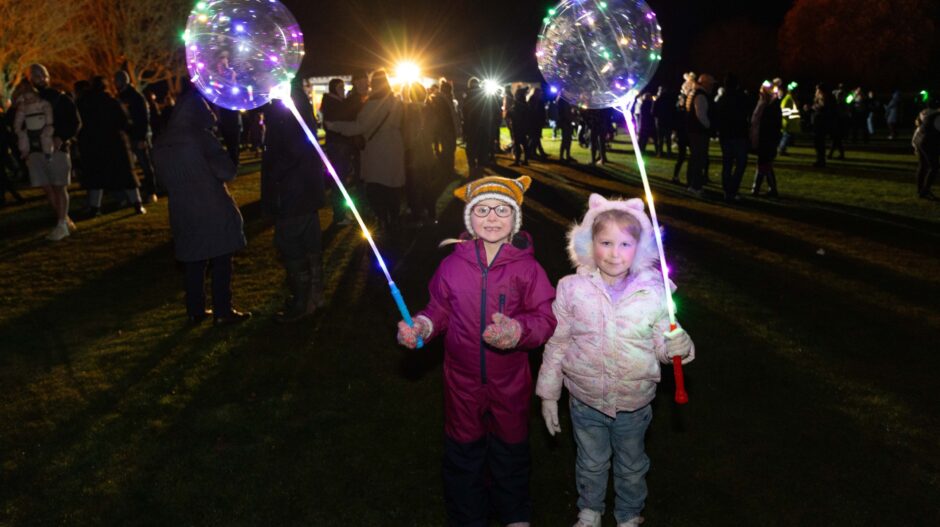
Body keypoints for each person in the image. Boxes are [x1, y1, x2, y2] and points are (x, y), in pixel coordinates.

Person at [396, 175, 556, 527]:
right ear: (470, 219)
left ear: (515, 219)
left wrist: (518, 331)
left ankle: (514, 513)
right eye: (482, 210)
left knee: (510, 450)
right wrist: (422, 326)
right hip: (462, 380)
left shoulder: (527, 268)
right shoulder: (452, 265)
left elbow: (545, 317)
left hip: (510, 380)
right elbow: (438, 308)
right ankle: (468, 516)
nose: (492, 217)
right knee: (463, 451)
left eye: (502, 209)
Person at [536, 193, 695, 527]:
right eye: (605, 242)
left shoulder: (654, 292)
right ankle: (590, 510)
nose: (613, 253)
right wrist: (549, 394)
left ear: (641, 249)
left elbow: (664, 346)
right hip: (585, 400)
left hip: (634, 402)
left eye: (625, 244)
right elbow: (557, 343)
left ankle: (628, 514)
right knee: (591, 461)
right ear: (589, 244)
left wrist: (679, 345)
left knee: (631, 463)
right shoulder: (571, 289)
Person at [153, 84, 250, 325]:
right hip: (210, 206)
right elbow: (226, 171)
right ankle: (222, 310)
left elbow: (162, 181)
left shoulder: (163, 141)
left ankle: (195, 309)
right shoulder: (200, 138)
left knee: (194, 261)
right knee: (220, 259)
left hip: (182, 208)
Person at [262, 78, 326, 322]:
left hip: (293, 189)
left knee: (290, 243)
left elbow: (293, 145)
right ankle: (314, 297)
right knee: (310, 243)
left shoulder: (286, 98)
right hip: (303, 187)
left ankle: (302, 302)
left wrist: (275, 175)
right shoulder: (294, 95)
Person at [325, 69, 405, 239]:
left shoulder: (373, 104)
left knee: (377, 190)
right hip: (395, 149)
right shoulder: (396, 101)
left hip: (378, 151)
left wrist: (335, 126)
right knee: (393, 189)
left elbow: (359, 127)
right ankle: (395, 221)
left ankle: (384, 222)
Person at [77, 76, 145, 217]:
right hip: (115, 143)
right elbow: (124, 121)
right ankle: (137, 204)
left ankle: (95, 207)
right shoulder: (112, 102)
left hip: (94, 144)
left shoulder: (84, 103)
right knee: (126, 176)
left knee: (97, 177)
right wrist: (135, 134)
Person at [27, 64, 81, 240]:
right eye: (35, 75)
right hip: (36, 151)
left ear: (48, 77)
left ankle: (61, 224)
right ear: (30, 79)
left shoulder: (61, 99)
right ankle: (64, 220)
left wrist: (61, 137)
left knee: (59, 186)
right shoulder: (27, 101)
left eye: (42, 74)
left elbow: (75, 122)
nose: (39, 78)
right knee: (48, 188)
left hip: (56, 149)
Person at [114, 71, 158, 203]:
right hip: (129, 136)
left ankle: (151, 191)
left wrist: (142, 137)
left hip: (137, 136)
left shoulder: (135, 97)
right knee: (134, 166)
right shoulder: (121, 97)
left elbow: (143, 118)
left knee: (145, 164)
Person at [320, 78, 356, 226]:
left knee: (341, 180)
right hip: (337, 145)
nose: (342, 89)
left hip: (341, 144)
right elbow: (333, 124)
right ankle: (339, 215)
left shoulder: (337, 102)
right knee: (339, 181)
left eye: (343, 86)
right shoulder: (333, 103)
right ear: (333, 88)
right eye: (339, 87)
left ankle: (342, 212)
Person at [714, 74, 750, 202]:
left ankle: (727, 190)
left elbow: (717, 116)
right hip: (739, 134)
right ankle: (732, 189)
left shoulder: (722, 99)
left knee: (727, 163)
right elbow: (748, 114)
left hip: (726, 135)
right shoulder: (742, 98)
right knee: (740, 162)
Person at [750, 82, 783, 197]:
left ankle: (757, 188)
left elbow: (770, 125)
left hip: (767, 139)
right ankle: (769, 188)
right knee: (765, 163)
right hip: (763, 138)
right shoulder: (764, 104)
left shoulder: (771, 106)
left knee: (763, 162)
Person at [686, 74, 715, 196]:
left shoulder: (695, 93)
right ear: (706, 84)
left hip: (694, 131)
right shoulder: (701, 96)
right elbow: (701, 115)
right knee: (699, 158)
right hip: (699, 132)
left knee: (695, 158)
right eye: (711, 84)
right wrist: (710, 127)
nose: (712, 86)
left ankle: (692, 183)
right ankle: (695, 185)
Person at [430, 79, 459, 177]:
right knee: (449, 150)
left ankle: (448, 169)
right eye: (450, 90)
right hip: (446, 130)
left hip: (446, 129)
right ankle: (448, 170)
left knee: (449, 150)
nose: (451, 92)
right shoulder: (441, 99)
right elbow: (446, 116)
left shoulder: (443, 99)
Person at [912, 95, 939, 200]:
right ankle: (925, 191)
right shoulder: (937, 116)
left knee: (923, 166)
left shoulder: (926, 114)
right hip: (927, 143)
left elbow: (919, 130)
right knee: (934, 167)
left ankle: (920, 191)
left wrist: (914, 144)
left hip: (920, 141)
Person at [508, 86, 531, 166]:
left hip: (517, 126)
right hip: (523, 127)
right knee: (524, 143)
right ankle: (525, 160)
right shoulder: (525, 104)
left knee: (518, 143)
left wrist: (509, 113)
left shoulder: (517, 104)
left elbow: (511, 114)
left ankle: (517, 160)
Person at [558, 95, 576, 163]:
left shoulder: (565, 101)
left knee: (568, 139)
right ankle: (562, 156)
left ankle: (567, 155)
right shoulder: (562, 101)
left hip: (567, 122)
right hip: (565, 122)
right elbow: (565, 113)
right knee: (565, 139)